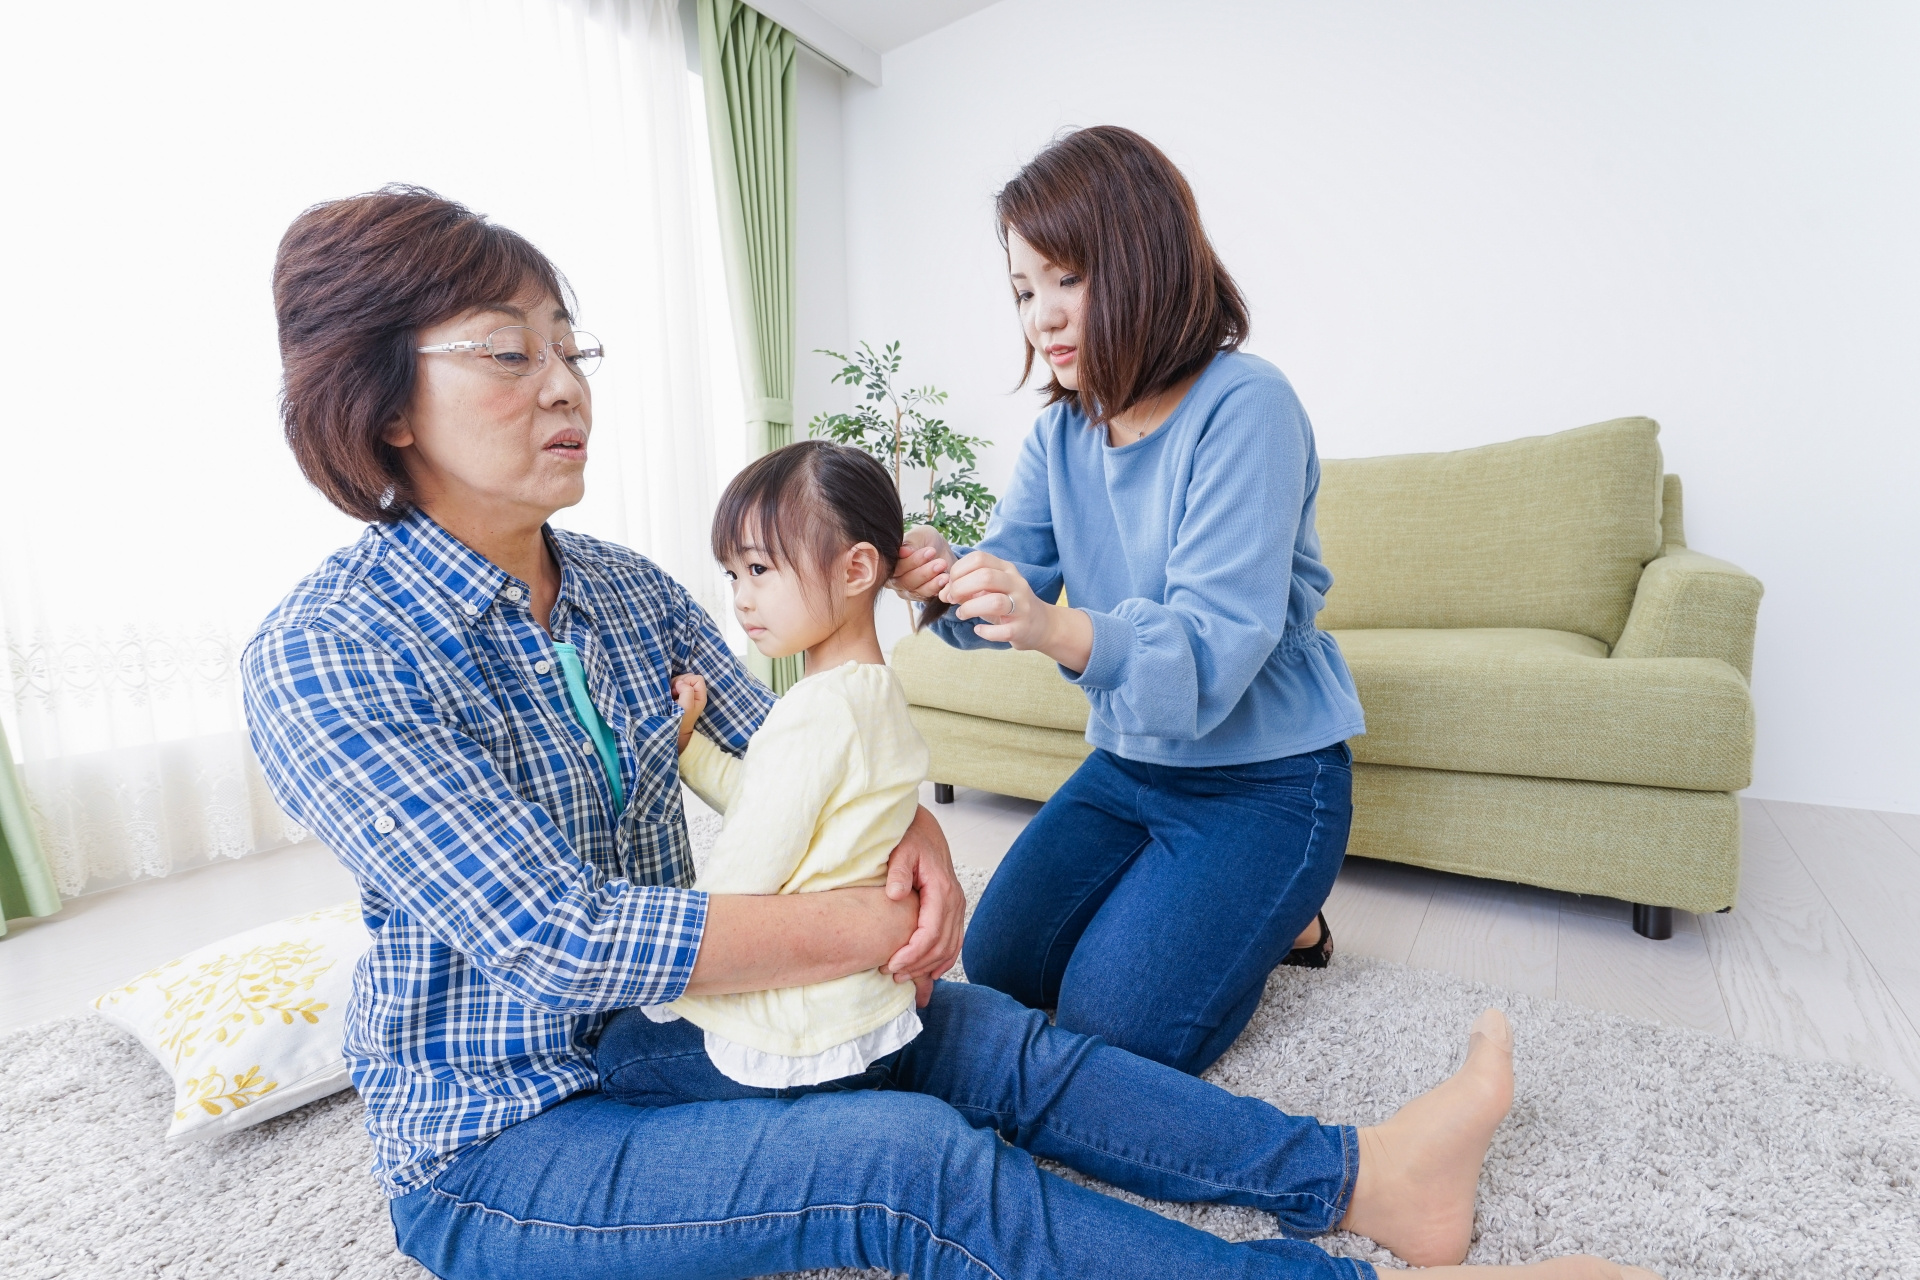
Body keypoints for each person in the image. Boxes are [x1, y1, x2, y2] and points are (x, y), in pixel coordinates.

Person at [243, 183, 1654, 1280]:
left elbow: (812, 728)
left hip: (675, 1025)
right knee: (910, 1160)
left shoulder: (621, 588)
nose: (566, 386)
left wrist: (917, 834)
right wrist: (864, 928)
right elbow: (556, 931)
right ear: (377, 406)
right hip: (503, 1131)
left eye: (573, 346)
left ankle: (1362, 1175)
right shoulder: (327, 653)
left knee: (975, 1033)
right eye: (510, 353)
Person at [894, 125, 1362, 1076]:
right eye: (1025, 289)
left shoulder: (1246, 405)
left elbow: (1213, 652)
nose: (1042, 317)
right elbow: (1013, 575)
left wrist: (1052, 625)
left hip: (1266, 777)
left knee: (1121, 1034)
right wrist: (950, 580)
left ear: (1146, 261)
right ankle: (1231, 901)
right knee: (1004, 962)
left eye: (1067, 278)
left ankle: (1283, 911)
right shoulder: (1062, 433)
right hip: (1128, 763)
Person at [641, 440, 932, 1087]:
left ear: (856, 571)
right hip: (866, 1002)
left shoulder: (816, 710)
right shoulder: (871, 691)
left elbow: (750, 856)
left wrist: (677, 969)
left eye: (761, 570)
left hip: (802, 1025)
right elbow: (770, 794)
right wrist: (690, 747)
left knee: (623, 1055)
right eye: (733, 575)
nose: (743, 599)